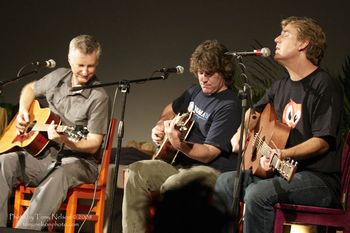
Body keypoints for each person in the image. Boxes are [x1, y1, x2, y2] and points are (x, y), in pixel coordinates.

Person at [214, 16, 344, 233]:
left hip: (318, 180)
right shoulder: (279, 85)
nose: (275, 39)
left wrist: (281, 155)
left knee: (258, 194)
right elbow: (254, 111)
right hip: (281, 173)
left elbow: (322, 142)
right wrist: (240, 132)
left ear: (303, 44)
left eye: (285, 34)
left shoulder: (324, 84)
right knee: (226, 183)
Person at [122, 39, 242, 233]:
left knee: (174, 185)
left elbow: (209, 153)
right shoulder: (195, 92)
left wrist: (180, 144)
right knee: (136, 172)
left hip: (210, 171)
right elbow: (170, 109)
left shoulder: (229, 105)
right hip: (180, 164)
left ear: (224, 72)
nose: (203, 78)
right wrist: (160, 126)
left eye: (209, 73)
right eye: (200, 72)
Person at [0, 34, 109, 230]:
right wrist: (24, 111)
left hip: (80, 162)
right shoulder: (58, 76)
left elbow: (93, 144)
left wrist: (65, 140)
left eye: (90, 66)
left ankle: (24, 230)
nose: (85, 72)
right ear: (69, 59)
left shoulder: (98, 97)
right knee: (4, 162)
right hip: (44, 155)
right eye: (80, 65)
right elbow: (29, 89)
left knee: (60, 173)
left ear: (97, 62)